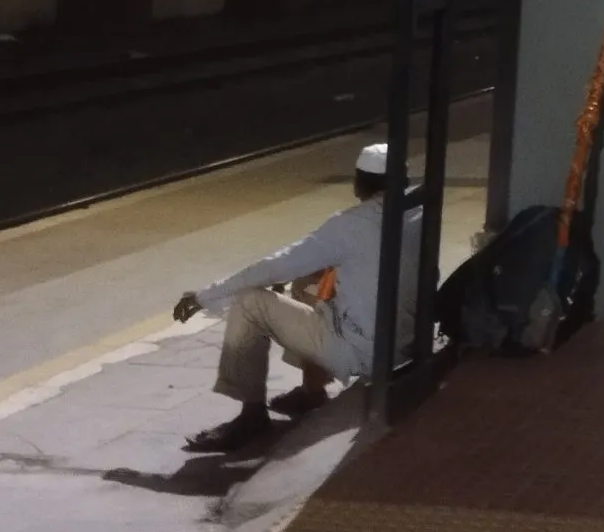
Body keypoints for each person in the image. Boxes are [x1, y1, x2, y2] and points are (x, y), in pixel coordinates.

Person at [171, 140, 423, 452]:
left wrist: (205, 295)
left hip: (363, 352)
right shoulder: (419, 213)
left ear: (359, 184)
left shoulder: (350, 224)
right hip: (407, 342)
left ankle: (251, 416)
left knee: (249, 303)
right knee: (307, 281)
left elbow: (275, 266)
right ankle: (312, 392)